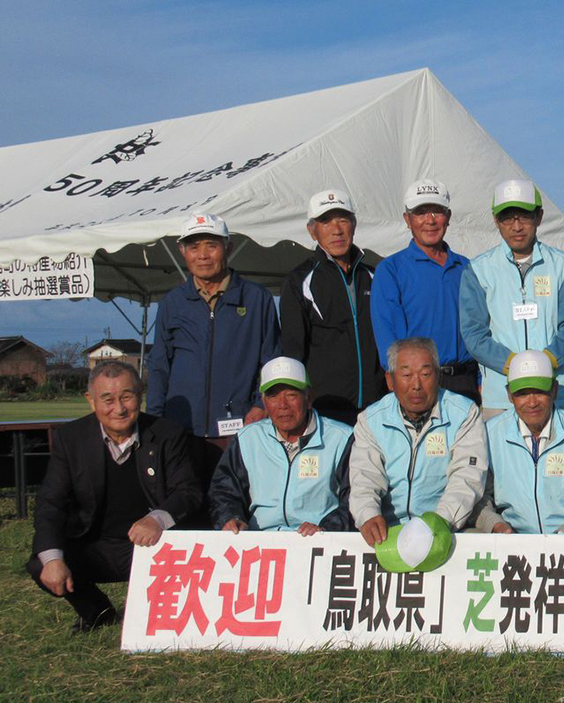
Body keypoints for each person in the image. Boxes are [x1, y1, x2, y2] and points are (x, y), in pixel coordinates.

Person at [26, 361, 202, 631]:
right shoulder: (70, 438)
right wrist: (53, 560)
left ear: (140, 395)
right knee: (43, 562)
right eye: (107, 399)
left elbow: (188, 492)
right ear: (90, 400)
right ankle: (97, 611)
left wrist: (157, 519)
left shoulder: (169, 434)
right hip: (96, 546)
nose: (119, 409)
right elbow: (51, 504)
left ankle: (163, 611)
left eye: (127, 397)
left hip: (155, 545)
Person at [459, 179, 564, 414]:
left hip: (558, 394)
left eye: (524, 216)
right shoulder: (478, 270)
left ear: (539, 217)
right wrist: (514, 365)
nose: (516, 226)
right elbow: (474, 333)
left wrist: (547, 361)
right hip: (502, 398)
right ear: (496, 220)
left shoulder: (562, 265)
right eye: (507, 217)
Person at [148, 211, 281, 437]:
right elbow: (159, 366)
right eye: (194, 247)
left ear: (228, 247)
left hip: (240, 426)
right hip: (180, 428)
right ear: (182, 251)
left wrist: (261, 405)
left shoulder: (256, 298)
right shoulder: (172, 302)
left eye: (211, 245)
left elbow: (272, 360)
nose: (203, 255)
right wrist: (153, 419)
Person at [349, 337, 488, 547]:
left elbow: (466, 479)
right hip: (388, 532)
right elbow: (364, 478)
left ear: (438, 376)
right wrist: (368, 515)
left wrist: (437, 523)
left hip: (442, 529)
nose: (416, 385)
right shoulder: (371, 420)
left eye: (425, 374)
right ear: (390, 380)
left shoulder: (464, 413)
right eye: (406, 375)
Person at [209, 357, 354, 534]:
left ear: (309, 397)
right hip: (260, 543)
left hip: (316, 542)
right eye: (273, 395)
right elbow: (223, 491)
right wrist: (231, 518)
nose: (282, 405)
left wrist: (327, 527)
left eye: (291, 395)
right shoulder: (248, 438)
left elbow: (357, 498)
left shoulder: (342, 437)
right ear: (263, 402)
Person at [280, 189, 384, 425]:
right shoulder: (299, 281)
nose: (336, 230)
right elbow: (293, 350)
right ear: (312, 230)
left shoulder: (375, 276)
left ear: (354, 226)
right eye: (326, 221)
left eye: (343, 220)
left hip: (376, 405)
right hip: (325, 409)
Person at [476, 350, 564, 533]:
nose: (532, 403)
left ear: (554, 390)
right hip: (512, 539)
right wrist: (496, 525)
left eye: (540, 391)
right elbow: (478, 497)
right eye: (522, 393)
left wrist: (560, 538)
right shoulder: (489, 435)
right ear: (509, 395)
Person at [369, 180, 477, 401]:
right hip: (418, 385)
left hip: (465, 381)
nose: (430, 220)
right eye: (420, 212)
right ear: (407, 219)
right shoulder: (391, 270)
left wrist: (483, 382)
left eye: (437, 211)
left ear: (448, 216)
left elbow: (481, 326)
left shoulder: (467, 267)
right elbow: (388, 337)